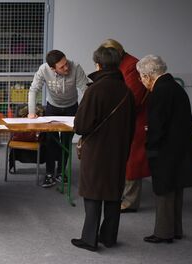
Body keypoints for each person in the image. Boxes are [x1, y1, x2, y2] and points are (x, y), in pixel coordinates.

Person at [136, 55, 192, 243]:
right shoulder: (175, 87)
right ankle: (175, 230)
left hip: (166, 150)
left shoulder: (159, 92)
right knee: (176, 191)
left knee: (164, 191)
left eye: (141, 76)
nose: (141, 81)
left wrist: (150, 148)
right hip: (180, 148)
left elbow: (157, 126)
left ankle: (163, 233)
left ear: (148, 75)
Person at [71, 46, 135, 252]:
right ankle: (109, 237)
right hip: (119, 150)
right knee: (113, 193)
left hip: (96, 150)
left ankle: (89, 239)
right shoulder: (126, 91)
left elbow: (81, 126)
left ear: (98, 64)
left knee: (93, 193)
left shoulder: (95, 90)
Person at [101, 39, 151, 213]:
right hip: (123, 119)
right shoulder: (122, 63)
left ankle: (130, 201)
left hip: (134, 120)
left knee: (132, 161)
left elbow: (132, 99)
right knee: (124, 159)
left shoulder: (132, 66)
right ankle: (122, 194)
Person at [27, 50, 89, 188]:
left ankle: (61, 171)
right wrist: (31, 112)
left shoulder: (76, 67)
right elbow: (33, 90)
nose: (66, 67)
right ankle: (49, 173)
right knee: (50, 140)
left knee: (66, 141)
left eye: (66, 63)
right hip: (53, 107)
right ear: (52, 68)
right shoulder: (44, 70)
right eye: (61, 67)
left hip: (71, 107)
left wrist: (83, 112)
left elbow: (86, 90)